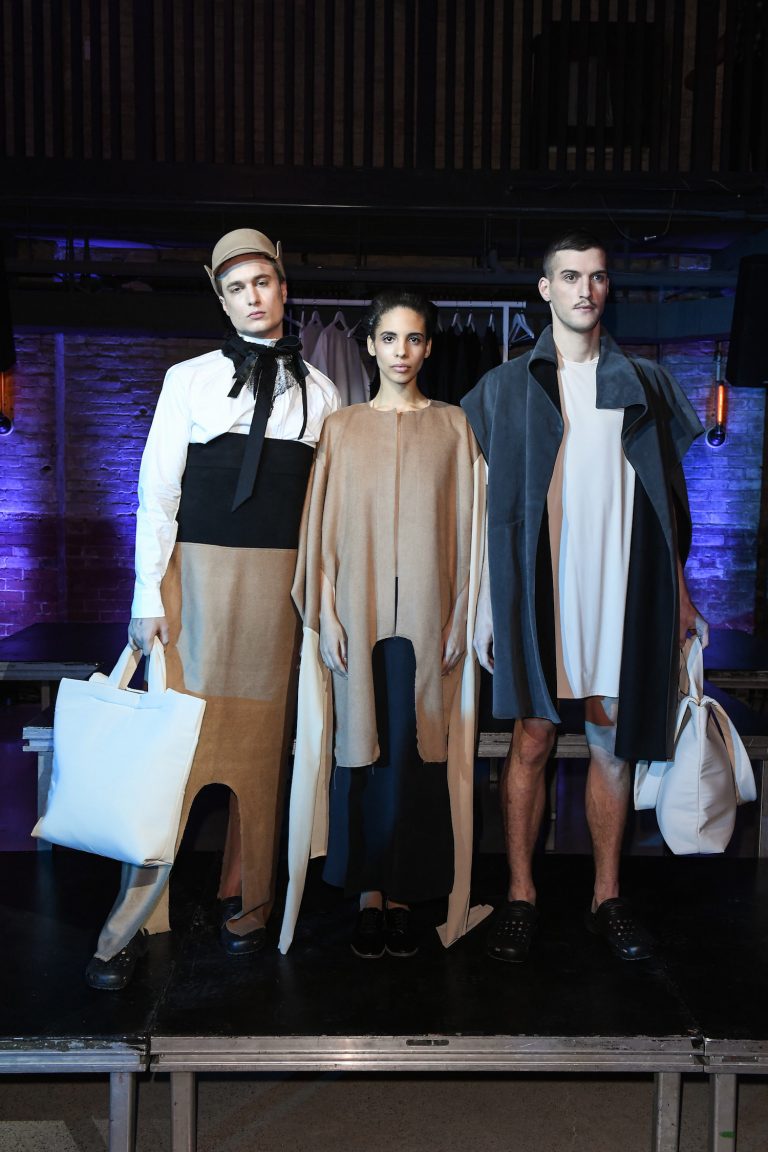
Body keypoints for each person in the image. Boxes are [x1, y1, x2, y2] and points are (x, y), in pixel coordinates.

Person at [85, 228, 340, 990]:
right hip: (192, 583)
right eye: (236, 288)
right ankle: (130, 924)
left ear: (283, 287)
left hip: (276, 593)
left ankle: (248, 903)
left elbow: (325, 512)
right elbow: (157, 492)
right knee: (169, 757)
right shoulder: (188, 380)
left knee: (260, 757)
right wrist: (145, 596)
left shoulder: (325, 394)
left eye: (262, 282)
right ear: (221, 300)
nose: (252, 298)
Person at [461, 231, 707, 964]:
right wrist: (485, 604)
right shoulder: (506, 387)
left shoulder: (645, 383)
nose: (584, 290)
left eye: (596, 278)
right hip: (541, 587)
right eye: (569, 277)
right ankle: (520, 895)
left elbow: (671, 505)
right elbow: (485, 509)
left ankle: (606, 897)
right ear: (545, 289)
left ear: (607, 288)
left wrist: (681, 595)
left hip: (619, 586)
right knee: (533, 737)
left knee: (610, 738)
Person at [278, 289, 491, 959]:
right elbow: (320, 533)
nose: (402, 351)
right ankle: (368, 893)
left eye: (414, 338)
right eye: (390, 338)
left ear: (429, 347)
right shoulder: (341, 430)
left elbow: (470, 535)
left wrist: (462, 615)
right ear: (369, 345)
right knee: (360, 749)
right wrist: (328, 613)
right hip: (358, 615)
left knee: (414, 751)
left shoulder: (454, 427)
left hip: (430, 620)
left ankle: (404, 894)